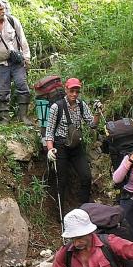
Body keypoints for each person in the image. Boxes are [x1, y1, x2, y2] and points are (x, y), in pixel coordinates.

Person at [45, 78, 102, 211]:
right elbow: (49, 131)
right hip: (60, 146)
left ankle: (84, 208)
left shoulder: (81, 105)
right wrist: (50, 149)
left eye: (77, 91)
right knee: (61, 180)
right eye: (72, 91)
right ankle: (60, 210)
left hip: (76, 146)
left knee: (86, 176)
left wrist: (97, 113)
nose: (74, 94)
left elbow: (92, 124)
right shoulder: (56, 107)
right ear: (66, 90)